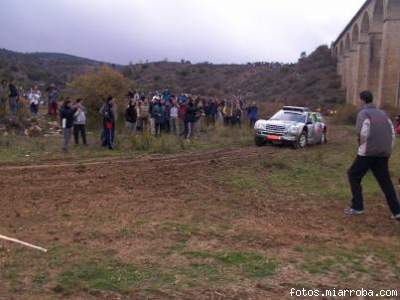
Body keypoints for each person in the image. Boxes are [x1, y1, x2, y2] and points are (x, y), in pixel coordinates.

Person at [345, 91, 400, 221]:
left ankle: (357, 207)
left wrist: (362, 146)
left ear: (362, 100)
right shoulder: (383, 114)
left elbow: (362, 132)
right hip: (383, 153)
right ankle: (397, 211)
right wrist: (387, 150)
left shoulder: (364, 114)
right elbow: (392, 133)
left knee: (353, 174)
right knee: (385, 181)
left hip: (368, 152)